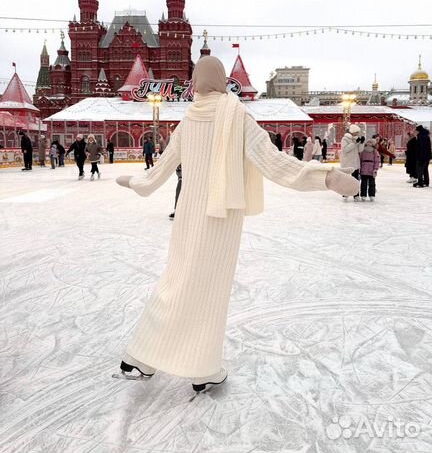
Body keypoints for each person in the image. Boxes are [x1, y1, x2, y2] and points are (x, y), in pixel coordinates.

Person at [115, 56, 358, 393]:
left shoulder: (187, 120)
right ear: (222, 80)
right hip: (220, 216)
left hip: (188, 214)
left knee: (177, 280)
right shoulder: (237, 116)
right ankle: (203, 369)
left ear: (197, 81)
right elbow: (274, 163)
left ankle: (141, 356)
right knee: (208, 290)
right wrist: (326, 176)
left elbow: (159, 173)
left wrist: (133, 182)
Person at [340, 124, 365, 201]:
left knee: (355, 179)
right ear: (352, 132)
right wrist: (354, 143)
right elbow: (345, 150)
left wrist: (361, 143)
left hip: (355, 163)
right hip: (347, 163)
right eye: (356, 132)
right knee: (346, 179)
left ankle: (356, 194)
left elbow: (360, 150)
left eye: (358, 132)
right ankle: (345, 194)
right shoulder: (345, 139)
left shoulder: (356, 139)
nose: (357, 134)